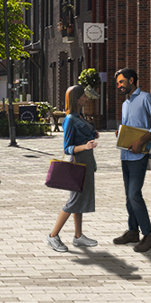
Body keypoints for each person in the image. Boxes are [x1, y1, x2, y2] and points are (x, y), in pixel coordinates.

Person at [112, 68, 151, 253]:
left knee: (134, 194)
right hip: (125, 154)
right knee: (128, 195)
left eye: (121, 82)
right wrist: (121, 132)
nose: (118, 86)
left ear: (131, 80)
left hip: (139, 155)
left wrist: (141, 141)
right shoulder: (125, 103)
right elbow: (132, 125)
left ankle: (148, 235)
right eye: (117, 83)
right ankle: (133, 232)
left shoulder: (145, 98)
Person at [48, 85, 101, 251]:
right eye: (84, 96)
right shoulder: (70, 119)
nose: (87, 98)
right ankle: (53, 236)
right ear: (77, 99)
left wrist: (94, 134)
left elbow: (86, 134)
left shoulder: (80, 116)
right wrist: (85, 146)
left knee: (79, 201)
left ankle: (78, 236)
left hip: (87, 163)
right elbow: (67, 148)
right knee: (73, 202)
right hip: (78, 163)